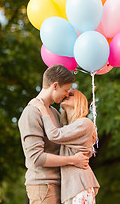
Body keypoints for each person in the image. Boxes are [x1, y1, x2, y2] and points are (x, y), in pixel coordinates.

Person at [18, 65, 89, 204]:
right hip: (43, 186)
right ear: (55, 85)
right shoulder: (32, 112)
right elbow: (36, 158)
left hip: (59, 185)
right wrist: (73, 160)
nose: (67, 94)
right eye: (66, 90)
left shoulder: (55, 113)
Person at [29, 88, 100, 204]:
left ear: (79, 101)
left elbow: (54, 135)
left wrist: (42, 108)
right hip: (70, 189)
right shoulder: (68, 128)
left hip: (80, 185)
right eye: (65, 94)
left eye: (71, 94)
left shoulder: (85, 123)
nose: (66, 95)